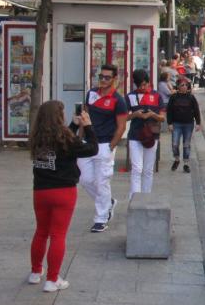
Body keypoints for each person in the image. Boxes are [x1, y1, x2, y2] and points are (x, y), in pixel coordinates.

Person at [29, 100, 99, 291]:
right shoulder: (66, 139)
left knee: (41, 231)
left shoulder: (37, 138)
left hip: (41, 191)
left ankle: (36, 272)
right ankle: (52, 280)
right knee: (58, 235)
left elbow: (60, 143)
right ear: (58, 117)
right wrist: (88, 126)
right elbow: (92, 148)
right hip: (63, 191)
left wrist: (75, 125)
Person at [80, 64, 129, 233]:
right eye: (101, 76)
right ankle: (108, 203)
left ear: (114, 79)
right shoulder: (91, 93)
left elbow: (121, 127)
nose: (103, 80)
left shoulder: (119, 100)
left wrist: (111, 147)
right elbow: (84, 117)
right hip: (87, 143)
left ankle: (101, 218)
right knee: (85, 180)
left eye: (107, 77)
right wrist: (79, 140)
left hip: (104, 144)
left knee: (102, 181)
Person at [125, 69, 165, 199]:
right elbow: (123, 117)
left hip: (151, 136)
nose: (142, 87)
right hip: (135, 136)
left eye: (145, 84)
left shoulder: (157, 96)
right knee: (137, 168)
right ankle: (135, 198)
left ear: (148, 82)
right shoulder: (130, 96)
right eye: (139, 85)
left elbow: (163, 118)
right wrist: (135, 114)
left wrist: (152, 114)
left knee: (148, 169)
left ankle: (146, 197)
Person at [166, 76, 201, 173]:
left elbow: (196, 110)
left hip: (188, 124)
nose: (184, 87)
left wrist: (198, 123)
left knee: (186, 144)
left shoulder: (191, 97)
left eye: (186, 85)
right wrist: (169, 123)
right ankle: (177, 159)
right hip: (176, 124)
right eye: (182, 85)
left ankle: (186, 163)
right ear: (178, 86)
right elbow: (169, 111)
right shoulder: (173, 97)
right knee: (175, 144)